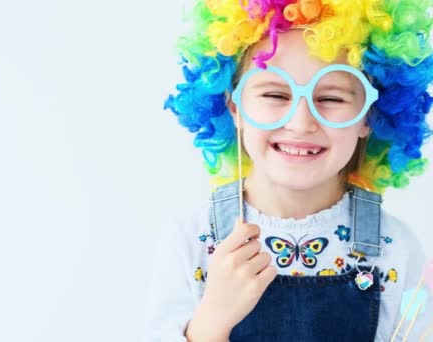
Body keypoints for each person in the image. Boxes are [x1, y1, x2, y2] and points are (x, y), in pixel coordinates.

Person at [144, 0, 433, 341]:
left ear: (369, 115)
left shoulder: (395, 246)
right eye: (275, 94)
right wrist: (212, 320)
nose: (300, 123)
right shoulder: (190, 241)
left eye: (332, 98)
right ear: (234, 106)